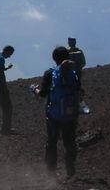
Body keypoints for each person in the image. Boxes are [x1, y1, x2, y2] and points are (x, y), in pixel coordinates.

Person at [35, 46, 80, 178]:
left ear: (54, 58)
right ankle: (70, 169)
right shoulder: (74, 74)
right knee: (69, 142)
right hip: (71, 115)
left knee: (52, 142)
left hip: (54, 115)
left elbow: (43, 93)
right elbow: (78, 91)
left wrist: (35, 90)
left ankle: (50, 172)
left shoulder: (50, 73)